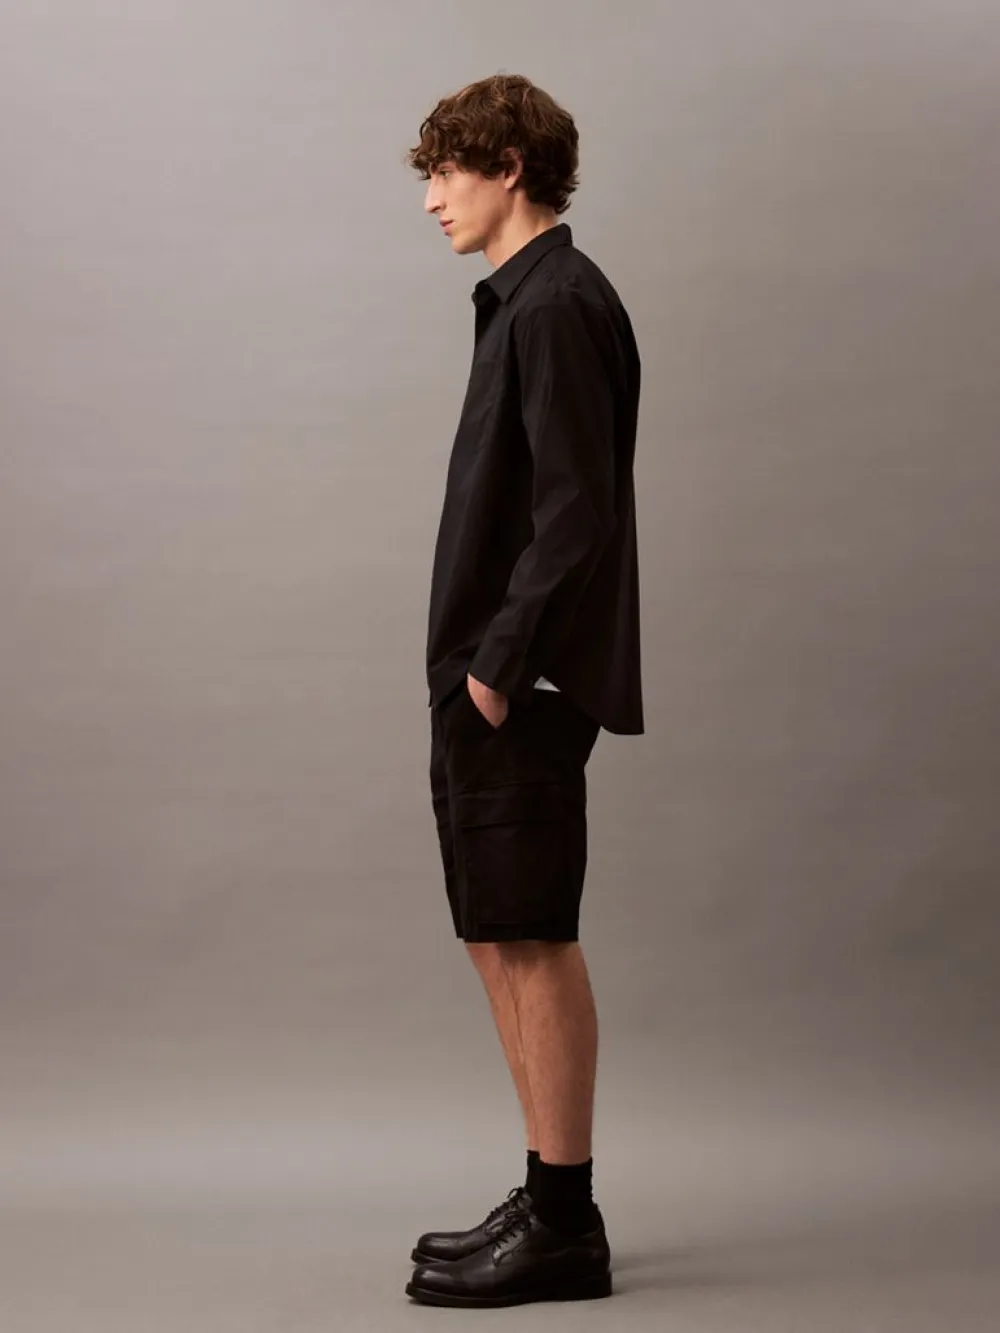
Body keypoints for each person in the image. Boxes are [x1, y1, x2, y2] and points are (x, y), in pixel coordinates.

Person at [404, 72, 644, 1309]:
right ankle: (548, 1192)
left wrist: (498, 671)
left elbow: (575, 514)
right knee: (496, 931)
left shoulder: (556, 306)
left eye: (447, 171)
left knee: (534, 936)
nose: (430, 198)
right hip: (485, 673)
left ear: (509, 167)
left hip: (519, 680)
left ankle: (564, 1222)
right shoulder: (525, 299)